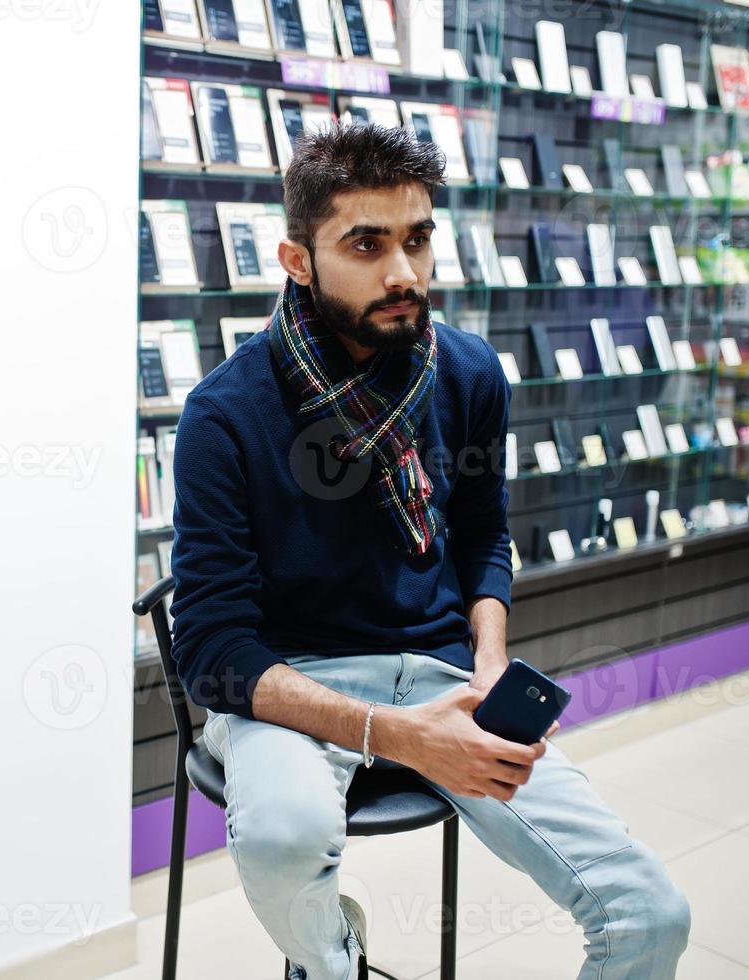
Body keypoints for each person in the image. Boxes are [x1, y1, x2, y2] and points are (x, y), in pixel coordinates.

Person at [167, 125, 690, 980]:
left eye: (416, 239)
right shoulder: (223, 413)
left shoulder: (469, 372)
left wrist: (488, 664)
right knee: (281, 833)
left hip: (443, 677)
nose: (402, 272)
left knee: (652, 913)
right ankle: (331, 960)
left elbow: (482, 532)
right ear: (296, 259)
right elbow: (213, 654)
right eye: (365, 244)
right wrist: (396, 736)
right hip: (288, 684)